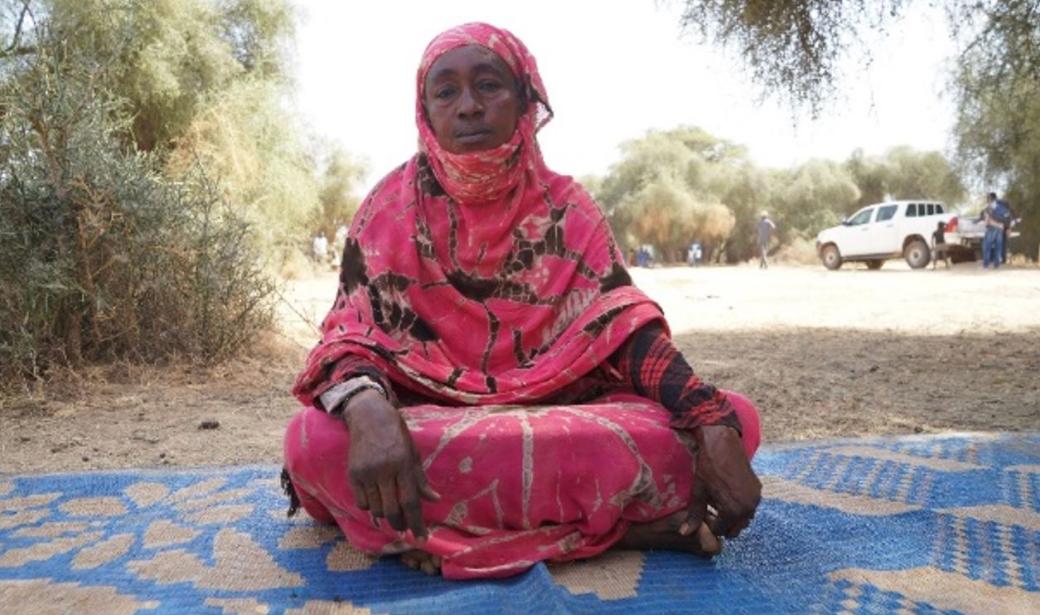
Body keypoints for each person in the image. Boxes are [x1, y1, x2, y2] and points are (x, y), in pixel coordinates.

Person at [281, 23, 762, 580]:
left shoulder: (568, 207)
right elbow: (350, 337)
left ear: (525, 100)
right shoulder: (388, 210)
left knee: (739, 421)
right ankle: (619, 529)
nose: (468, 107)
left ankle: (440, 540)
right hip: (427, 419)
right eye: (446, 91)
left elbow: (626, 335)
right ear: (425, 110)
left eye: (489, 85)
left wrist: (709, 422)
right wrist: (369, 412)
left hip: (563, 414)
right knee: (314, 443)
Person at [980, 193, 1010, 269]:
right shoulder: (1001, 208)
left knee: (988, 247)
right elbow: (1006, 219)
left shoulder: (988, 208)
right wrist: (1005, 227)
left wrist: (990, 221)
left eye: (988, 198)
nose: (987, 200)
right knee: (997, 247)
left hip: (992, 228)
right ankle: (995, 265)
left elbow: (986, 219)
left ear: (990, 199)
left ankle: (986, 265)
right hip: (998, 228)